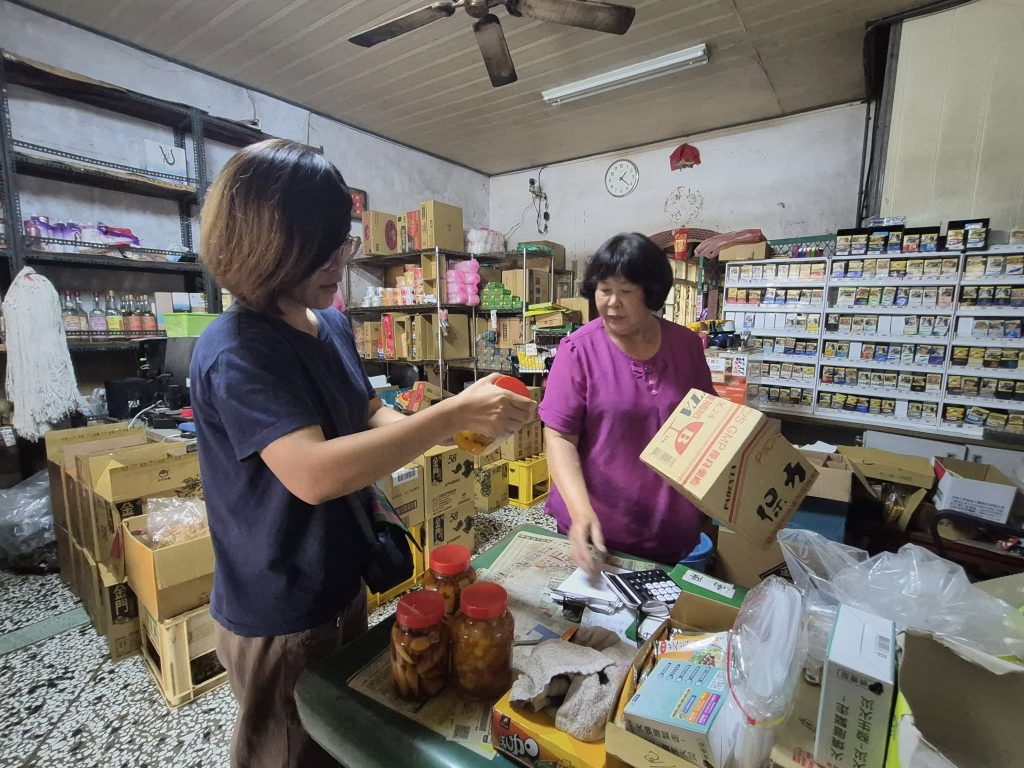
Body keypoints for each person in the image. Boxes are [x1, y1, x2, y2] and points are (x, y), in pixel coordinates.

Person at [190, 139, 536, 768]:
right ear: (265, 246)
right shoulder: (238, 348)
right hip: (280, 603)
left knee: (340, 739)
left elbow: (369, 413)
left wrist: (461, 428)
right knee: (290, 750)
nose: (337, 262)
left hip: (340, 579)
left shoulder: (330, 324)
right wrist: (449, 415)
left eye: (342, 243)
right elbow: (315, 474)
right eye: (319, 248)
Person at [539, 232, 715, 573]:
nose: (612, 303)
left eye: (626, 291)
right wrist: (580, 511)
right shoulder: (578, 350)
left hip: (670, 528)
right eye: (604, 290)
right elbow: (559, 437)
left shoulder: (686, 347)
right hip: (599, 528)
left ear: (650, 294)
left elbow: (710, 423)